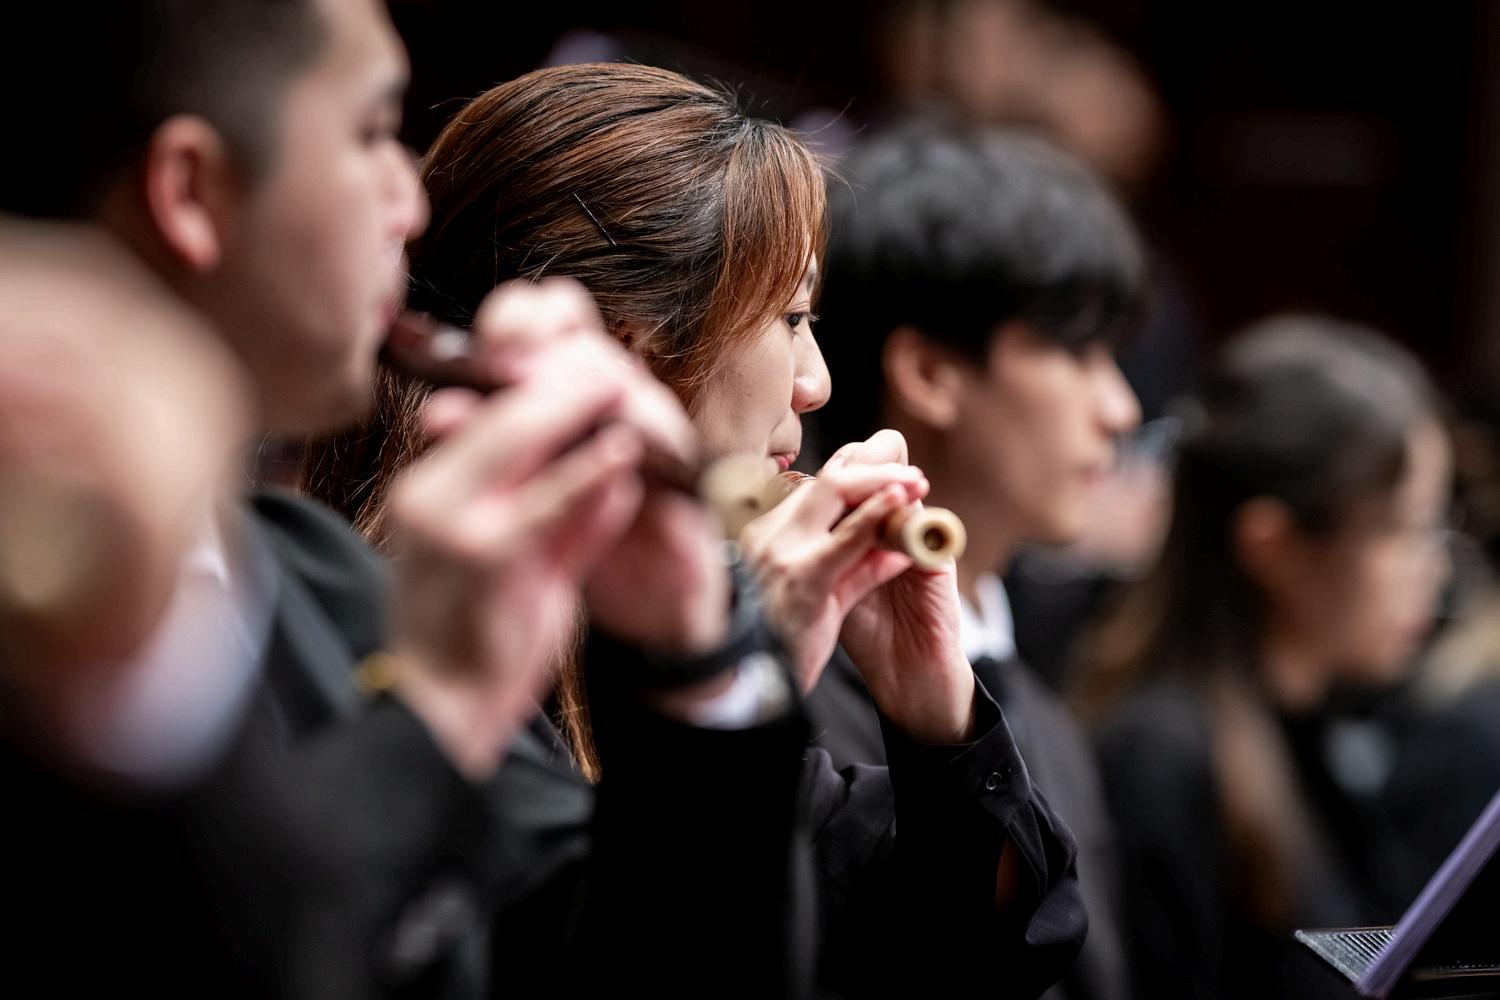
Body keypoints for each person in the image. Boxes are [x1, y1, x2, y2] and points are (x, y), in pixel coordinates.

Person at [5, 3, 815, 995]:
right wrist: (439, 710)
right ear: (191, 190)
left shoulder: (322, 580)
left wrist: (694, 665)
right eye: (372, 133)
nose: (411, 205)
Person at [304, 61, 1086, 998]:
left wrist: (936, 713)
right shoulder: (352, 641)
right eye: (791, 318)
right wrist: (735, 684)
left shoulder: (670, 644)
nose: (816, 383)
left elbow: (969, 948)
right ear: (625, 352)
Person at [806, 125, 1141, 1000]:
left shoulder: (1047, 713)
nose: (1120, 408)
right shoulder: (800, 698)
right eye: (1076, 349)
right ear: (929, 371)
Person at [1074, 317, 1452, 1000]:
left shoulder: (1323, 729)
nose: (1435, 570)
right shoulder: (1161, 760)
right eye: (1403, 530)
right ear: (1273, 546)